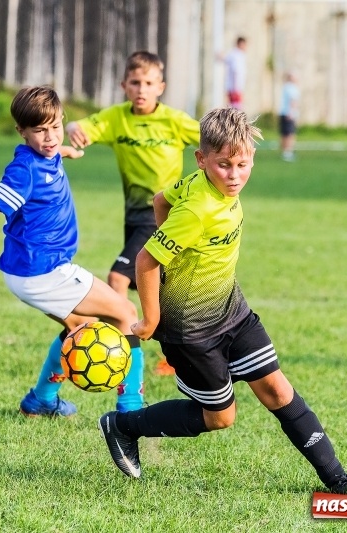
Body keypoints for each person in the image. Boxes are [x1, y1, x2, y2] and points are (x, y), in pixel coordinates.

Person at [97, 107, 347, 499]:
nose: (234, 175)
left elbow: (160, 200)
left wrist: (177, 254)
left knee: (278, 391)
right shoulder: (198, 209)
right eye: (223, 166)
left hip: (233, 312)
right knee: (220, 418)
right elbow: (146, 260)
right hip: (191, 330)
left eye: (242, 164)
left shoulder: (202, 184)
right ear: (202, 160)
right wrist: (150, 319)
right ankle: (122, 426)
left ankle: (338, 481)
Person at [0, 86, 145, 417]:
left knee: (79, 326)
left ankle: (41, 400)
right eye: (39, 130)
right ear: (21, 131)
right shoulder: (24, 171)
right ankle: (131, 406)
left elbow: (51, 151)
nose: (49, 137)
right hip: (43, 271)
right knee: (126, 314)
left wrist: (68, 151)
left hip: (31, 271)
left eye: (55, 127)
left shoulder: (48, 154)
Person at [66, 51, 200, 376]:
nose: (142, 89)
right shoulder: (116, 119)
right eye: (136, 82)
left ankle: (119, 352)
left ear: (161, 87)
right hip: (134, 216)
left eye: (149, 83)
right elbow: (79, 125)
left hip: (164, 215)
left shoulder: (175, 121)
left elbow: (211, 140)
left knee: (118, 277)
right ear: (124, 85)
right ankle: (181, 354)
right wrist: (72, 128)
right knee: (157, 288)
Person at [278, 71, 300, 162]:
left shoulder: (285, 87)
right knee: (289, 133)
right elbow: (293, 101)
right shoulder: (292, 88)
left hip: (283, 112)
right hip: (289, 114)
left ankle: (284, 151)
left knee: (284, 133)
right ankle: (288, 152)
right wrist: (292, 113)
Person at [224, 37, 248, 110]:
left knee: (233, 107)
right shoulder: (237, 55)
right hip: (235, 87)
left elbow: (225, 59)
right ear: (240, 44)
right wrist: (236, 88)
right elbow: (236, 72)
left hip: (234, 87)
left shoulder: (234, 54)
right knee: (236, 109)